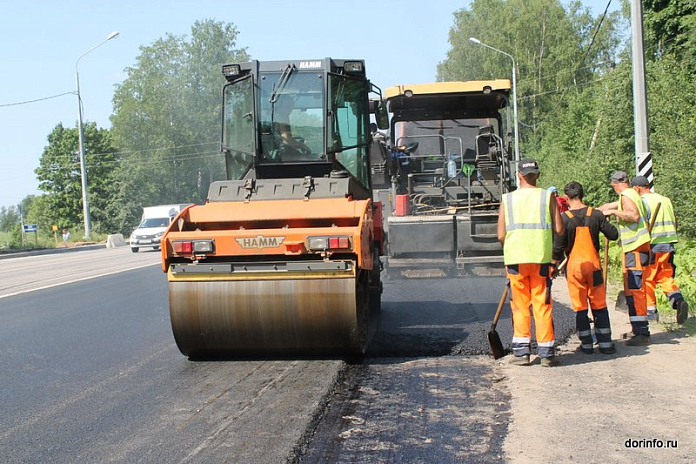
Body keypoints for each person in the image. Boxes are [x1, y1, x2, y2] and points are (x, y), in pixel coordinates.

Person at [498, 158, 565, 367]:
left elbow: (500, 234)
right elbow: (560, 229)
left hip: (516, 260)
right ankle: (546, 354)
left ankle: (522, 353)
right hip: (541, 259)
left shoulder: (507, 199)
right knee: (542, 305)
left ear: (519, 175)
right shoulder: (547, 197)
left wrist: (511, 247)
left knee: (520, 306)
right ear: (538, 175)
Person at [553, 181, 619, 355]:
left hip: (574, 268)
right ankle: (605, 344)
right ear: (582, 194)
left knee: (580, 306)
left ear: (566, 198)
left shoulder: (564, 218)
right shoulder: (595, 214)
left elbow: (558, 247)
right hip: (594, 266)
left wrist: (554, 263)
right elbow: (613, 235)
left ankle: (587, 344)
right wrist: (604, 220)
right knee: (599, 304)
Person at [598, 171, 652, 346]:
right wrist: (600, 210)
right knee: (632, 288)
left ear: (614, 184)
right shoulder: (632, 194)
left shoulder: (626, 195)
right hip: (637, 248)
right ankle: (637, 329)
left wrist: (614, 212)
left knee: (635, 289)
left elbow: (633, 215)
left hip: (635, 247)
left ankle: (642, 332)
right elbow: (611, 206)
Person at [631, 175, 689, 324]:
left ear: (637, 188)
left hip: (653, 245)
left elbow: (641, 223)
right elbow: (674, 220)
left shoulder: (643, 201)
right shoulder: (665, 200)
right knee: (665, 276)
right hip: (668, 245)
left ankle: (651, 312)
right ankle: (677, 300)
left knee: (648, 278)